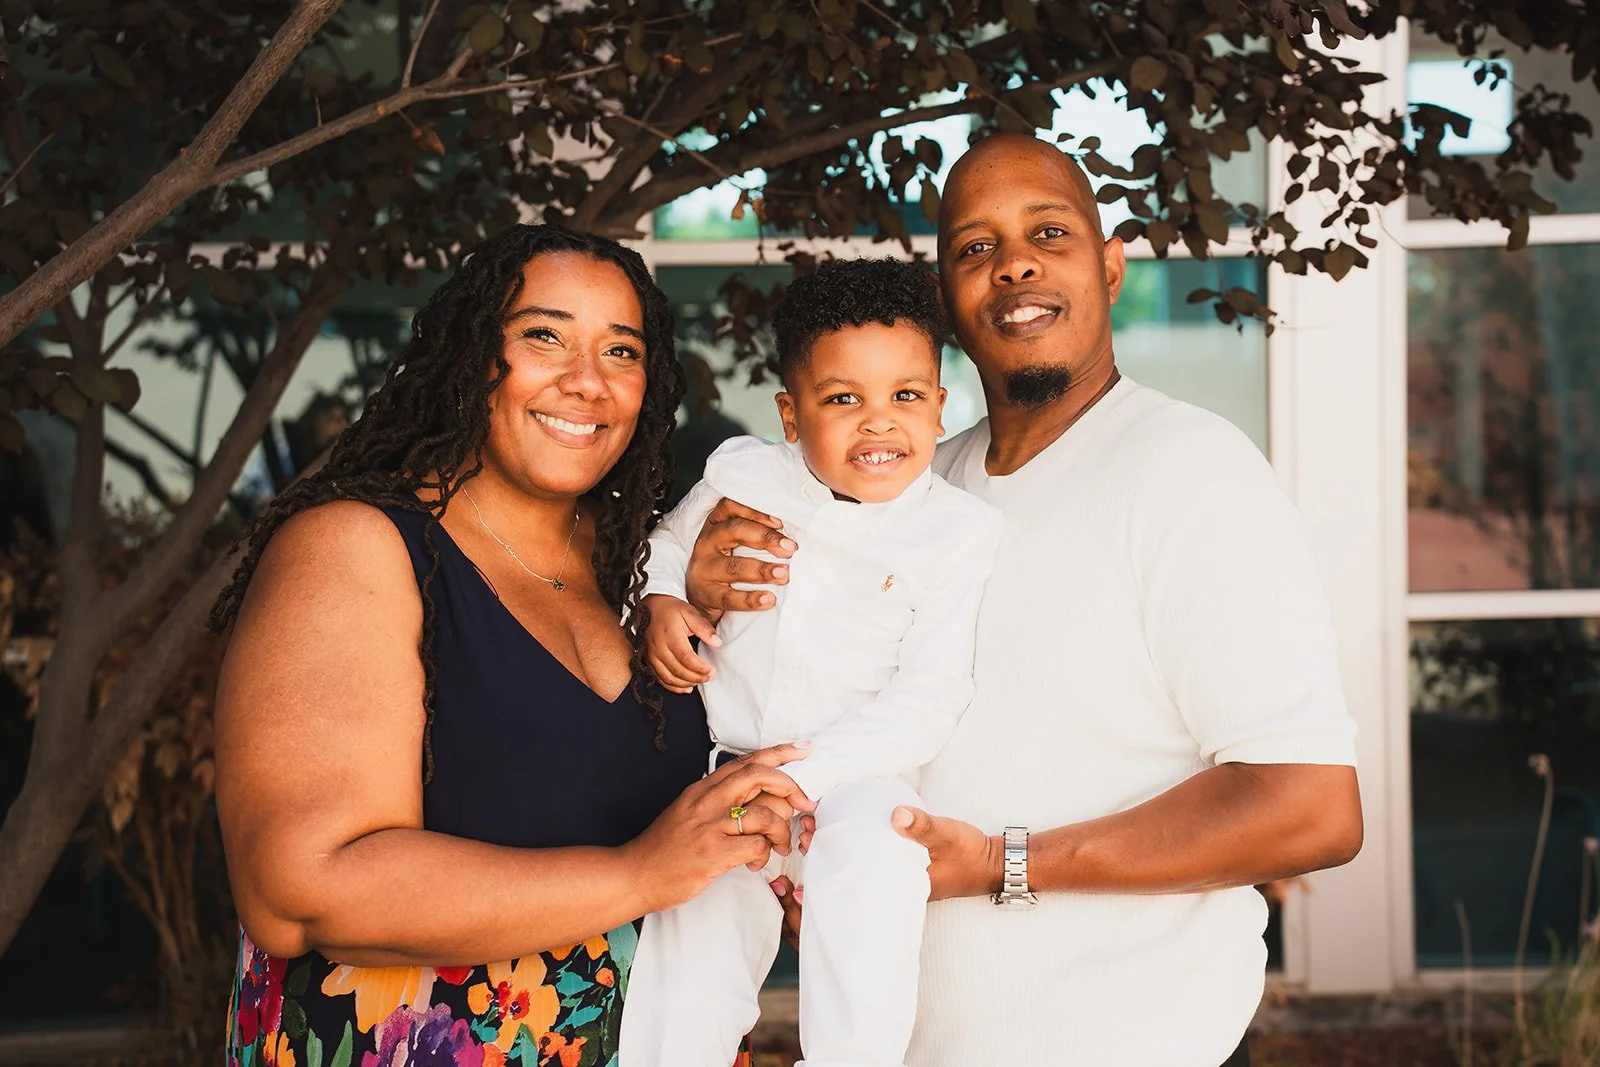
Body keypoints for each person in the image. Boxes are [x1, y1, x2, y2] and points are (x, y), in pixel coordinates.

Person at [679, 135, 1365, 1067]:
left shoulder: (1192, 473)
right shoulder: (906, 489)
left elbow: (1312, 807)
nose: (1015, 264)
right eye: (974, 247)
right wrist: (692, 587)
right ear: (947, 300)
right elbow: (812, 699)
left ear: (1113, 264)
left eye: (1050, 231)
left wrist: (999, 864)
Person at [212, 223, 813, 1067]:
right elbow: (301, 887)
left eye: (621, 351)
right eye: (543, 336)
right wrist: (642, 874)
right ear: (471, 357)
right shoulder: (357, 547)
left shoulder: (644, 567)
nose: (586, 383)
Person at [619, 260, 1003, 1067]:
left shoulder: (959, 533)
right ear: (791, 416)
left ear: (939, 406)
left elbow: (932, 691)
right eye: (843, 399)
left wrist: (806, 777)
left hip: (859, 775)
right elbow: (662, 547)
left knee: (876, 873)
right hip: (727, 768)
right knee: (690, 940)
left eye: (905, 396)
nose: (878, 423)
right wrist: (658, 601)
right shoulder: (743, 473)